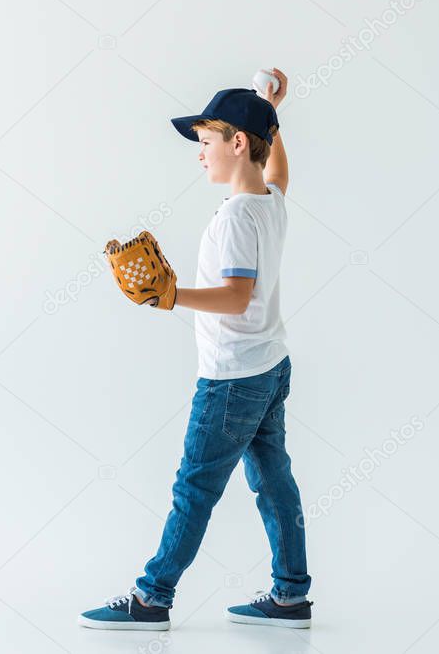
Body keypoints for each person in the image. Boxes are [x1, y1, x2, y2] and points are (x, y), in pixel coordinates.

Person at [78, 69, 313, 631]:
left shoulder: (237, 217)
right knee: (274, 481)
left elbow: (236, 297)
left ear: (237, 144)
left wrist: (169, 295)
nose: (199, 154)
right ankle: (290, 598)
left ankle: (151, 599)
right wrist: (269, 112)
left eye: (206, 142)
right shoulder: (268, 201)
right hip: (269, 366)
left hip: (232, 379)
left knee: (195, 488)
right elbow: (277, 167)